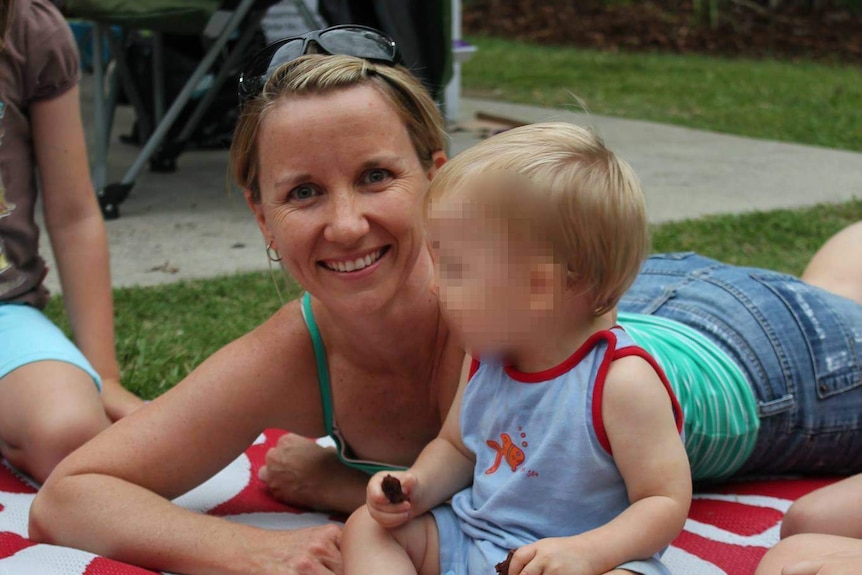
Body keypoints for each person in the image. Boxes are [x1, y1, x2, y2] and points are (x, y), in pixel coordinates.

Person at [28, 24, 862, 575]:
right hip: (629, 286)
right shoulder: (298, 347)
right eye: (304, 191)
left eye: (377, 176)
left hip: (751, 351)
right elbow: (69, 495)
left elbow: (536, 492)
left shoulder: (497, 319)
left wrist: (339, 481)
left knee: (834, 299)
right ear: (263, 216)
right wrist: (259, 555)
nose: (346, 223)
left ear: (440, 177)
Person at [342, 122, 691, 575]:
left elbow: (663, 500)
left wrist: (587, 553)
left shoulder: (621, 383)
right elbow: (458, 448)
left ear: (538, 287)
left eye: (455, 267)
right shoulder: (485, 358)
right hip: (476, 537)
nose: (433, 285)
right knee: (366, 528)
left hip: (582, 560)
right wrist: (418, 485)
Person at [0, 0, 143, 484]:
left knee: (72, 433)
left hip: (3, 310)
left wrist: (105, 376)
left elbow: (74, 214)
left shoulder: (27, 27)